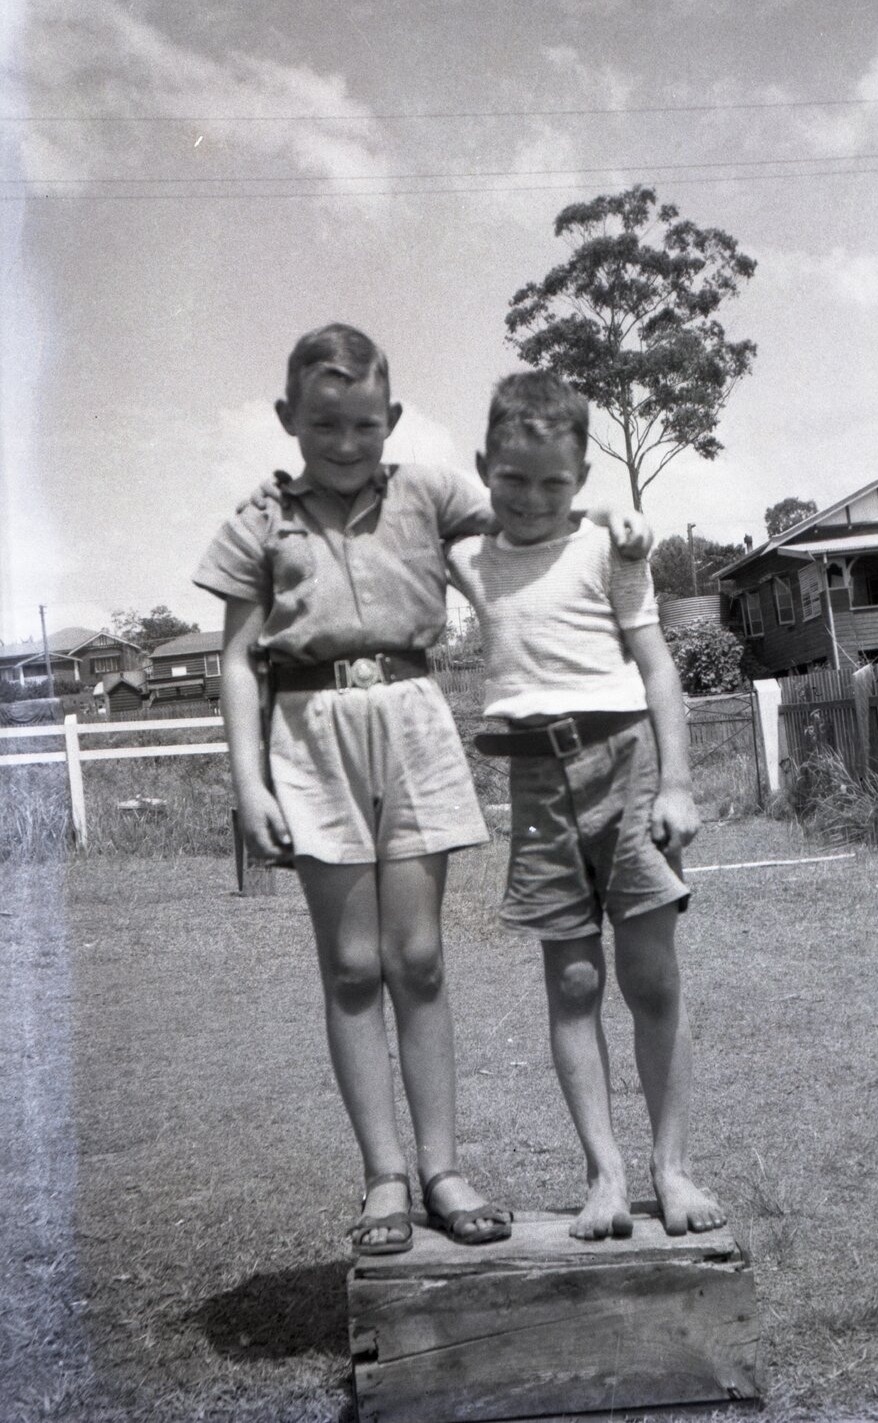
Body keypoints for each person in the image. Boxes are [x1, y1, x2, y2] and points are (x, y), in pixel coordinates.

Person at [193, 323, 647, 1255]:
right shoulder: (256, 521)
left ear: (391, 419)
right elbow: (239, 661)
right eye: (326, 424)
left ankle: (442, 1169)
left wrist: (615, 523)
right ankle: (385, 1179)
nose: (348, 443)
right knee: (354, 966)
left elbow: (536, 516)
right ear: (290, 419)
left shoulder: (429, 492)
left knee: (421, 959)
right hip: (310, 737)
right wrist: (249, 783)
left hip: (411, 719)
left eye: (366, 424)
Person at [447, 370, 727, 1242]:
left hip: (628, 766)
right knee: (571, 981)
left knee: (649, 977)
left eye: (556, 483)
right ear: (485, 465)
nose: (532, 498)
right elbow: (410, 512)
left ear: (580, 480)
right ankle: (604, 1176)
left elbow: (656, 669)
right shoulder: (467, 556)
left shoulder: (612, 551)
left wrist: (677, 783)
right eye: (513, 479)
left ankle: (671, 1169)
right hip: (535, 785)